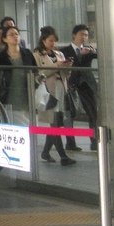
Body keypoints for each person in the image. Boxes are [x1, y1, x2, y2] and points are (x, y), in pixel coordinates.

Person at [33, 26, 75, 166]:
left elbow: (65, 75)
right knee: (54, 123)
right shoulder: (37, 54)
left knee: (55, 123)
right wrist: (56, 66)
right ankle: (63, 156)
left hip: (61, 89)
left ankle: (45, 152)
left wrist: (67, 67)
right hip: (47, 91)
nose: (53, 43)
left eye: (54, 41)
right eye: (50, 40)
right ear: (43, 40)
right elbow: (39, 74)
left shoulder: (59, 53)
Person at [60, 24, 98, 151]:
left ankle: (94, 141)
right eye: (81, 34)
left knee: (93, 113)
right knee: (70, 115)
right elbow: (64, 66)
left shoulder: (89, 50)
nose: (84, 37)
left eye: (86, 35)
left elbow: (100, 55)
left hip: (87, 86)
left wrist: (93, 51)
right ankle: (70, 143)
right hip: (71, 85)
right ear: (74, 35)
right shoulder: (65, 51)